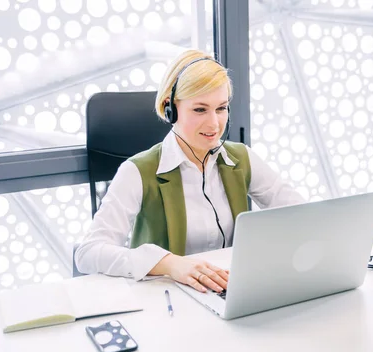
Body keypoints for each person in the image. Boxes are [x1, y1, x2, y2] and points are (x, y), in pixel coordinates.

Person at [75, 49, 304, 293]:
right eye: (200, 109)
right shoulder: (137, 171)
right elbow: (88, 252)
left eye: (221, 108)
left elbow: (301, 214)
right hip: (166, 300)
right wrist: (168, 263)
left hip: (230, 292)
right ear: (170, 108)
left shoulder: (241, 158)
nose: (214, 124)